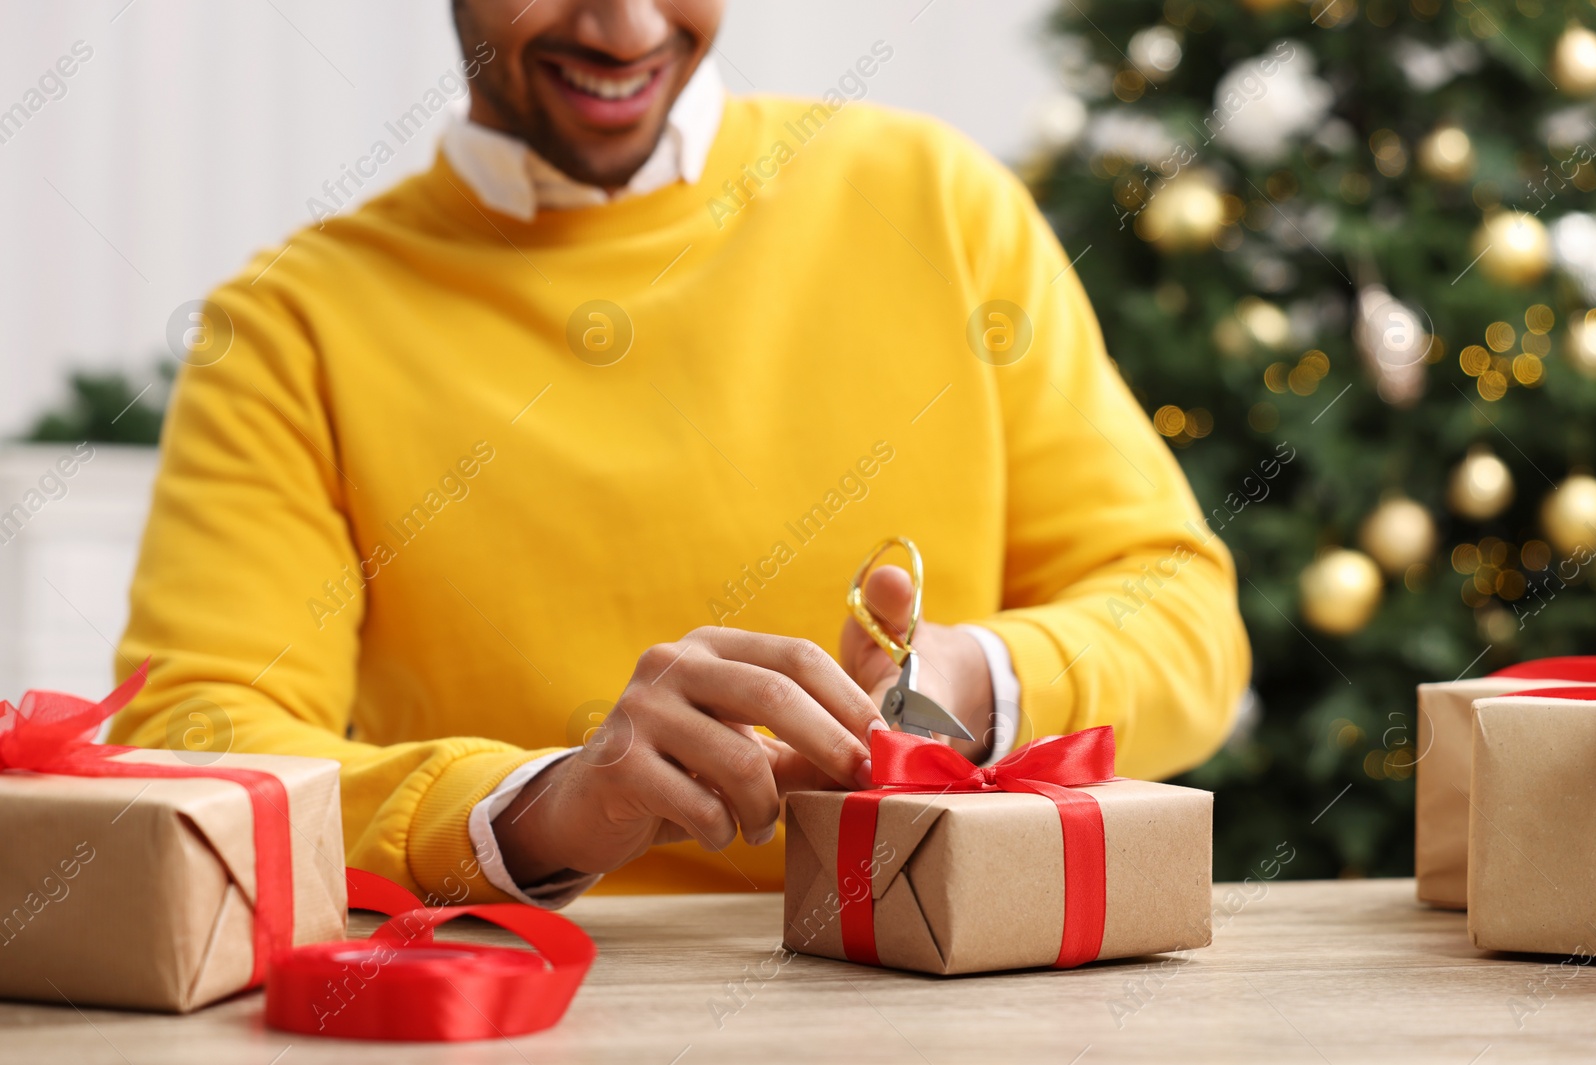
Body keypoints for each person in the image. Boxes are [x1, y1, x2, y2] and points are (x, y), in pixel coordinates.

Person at [110, 0, 1250, 907]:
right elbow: (190, 740)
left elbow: (1186, 621)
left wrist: (971, 679)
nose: (628, 30)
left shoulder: (934, 198)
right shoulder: (290, 324)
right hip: (533, 1008)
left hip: (953, 980)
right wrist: (539, 806)